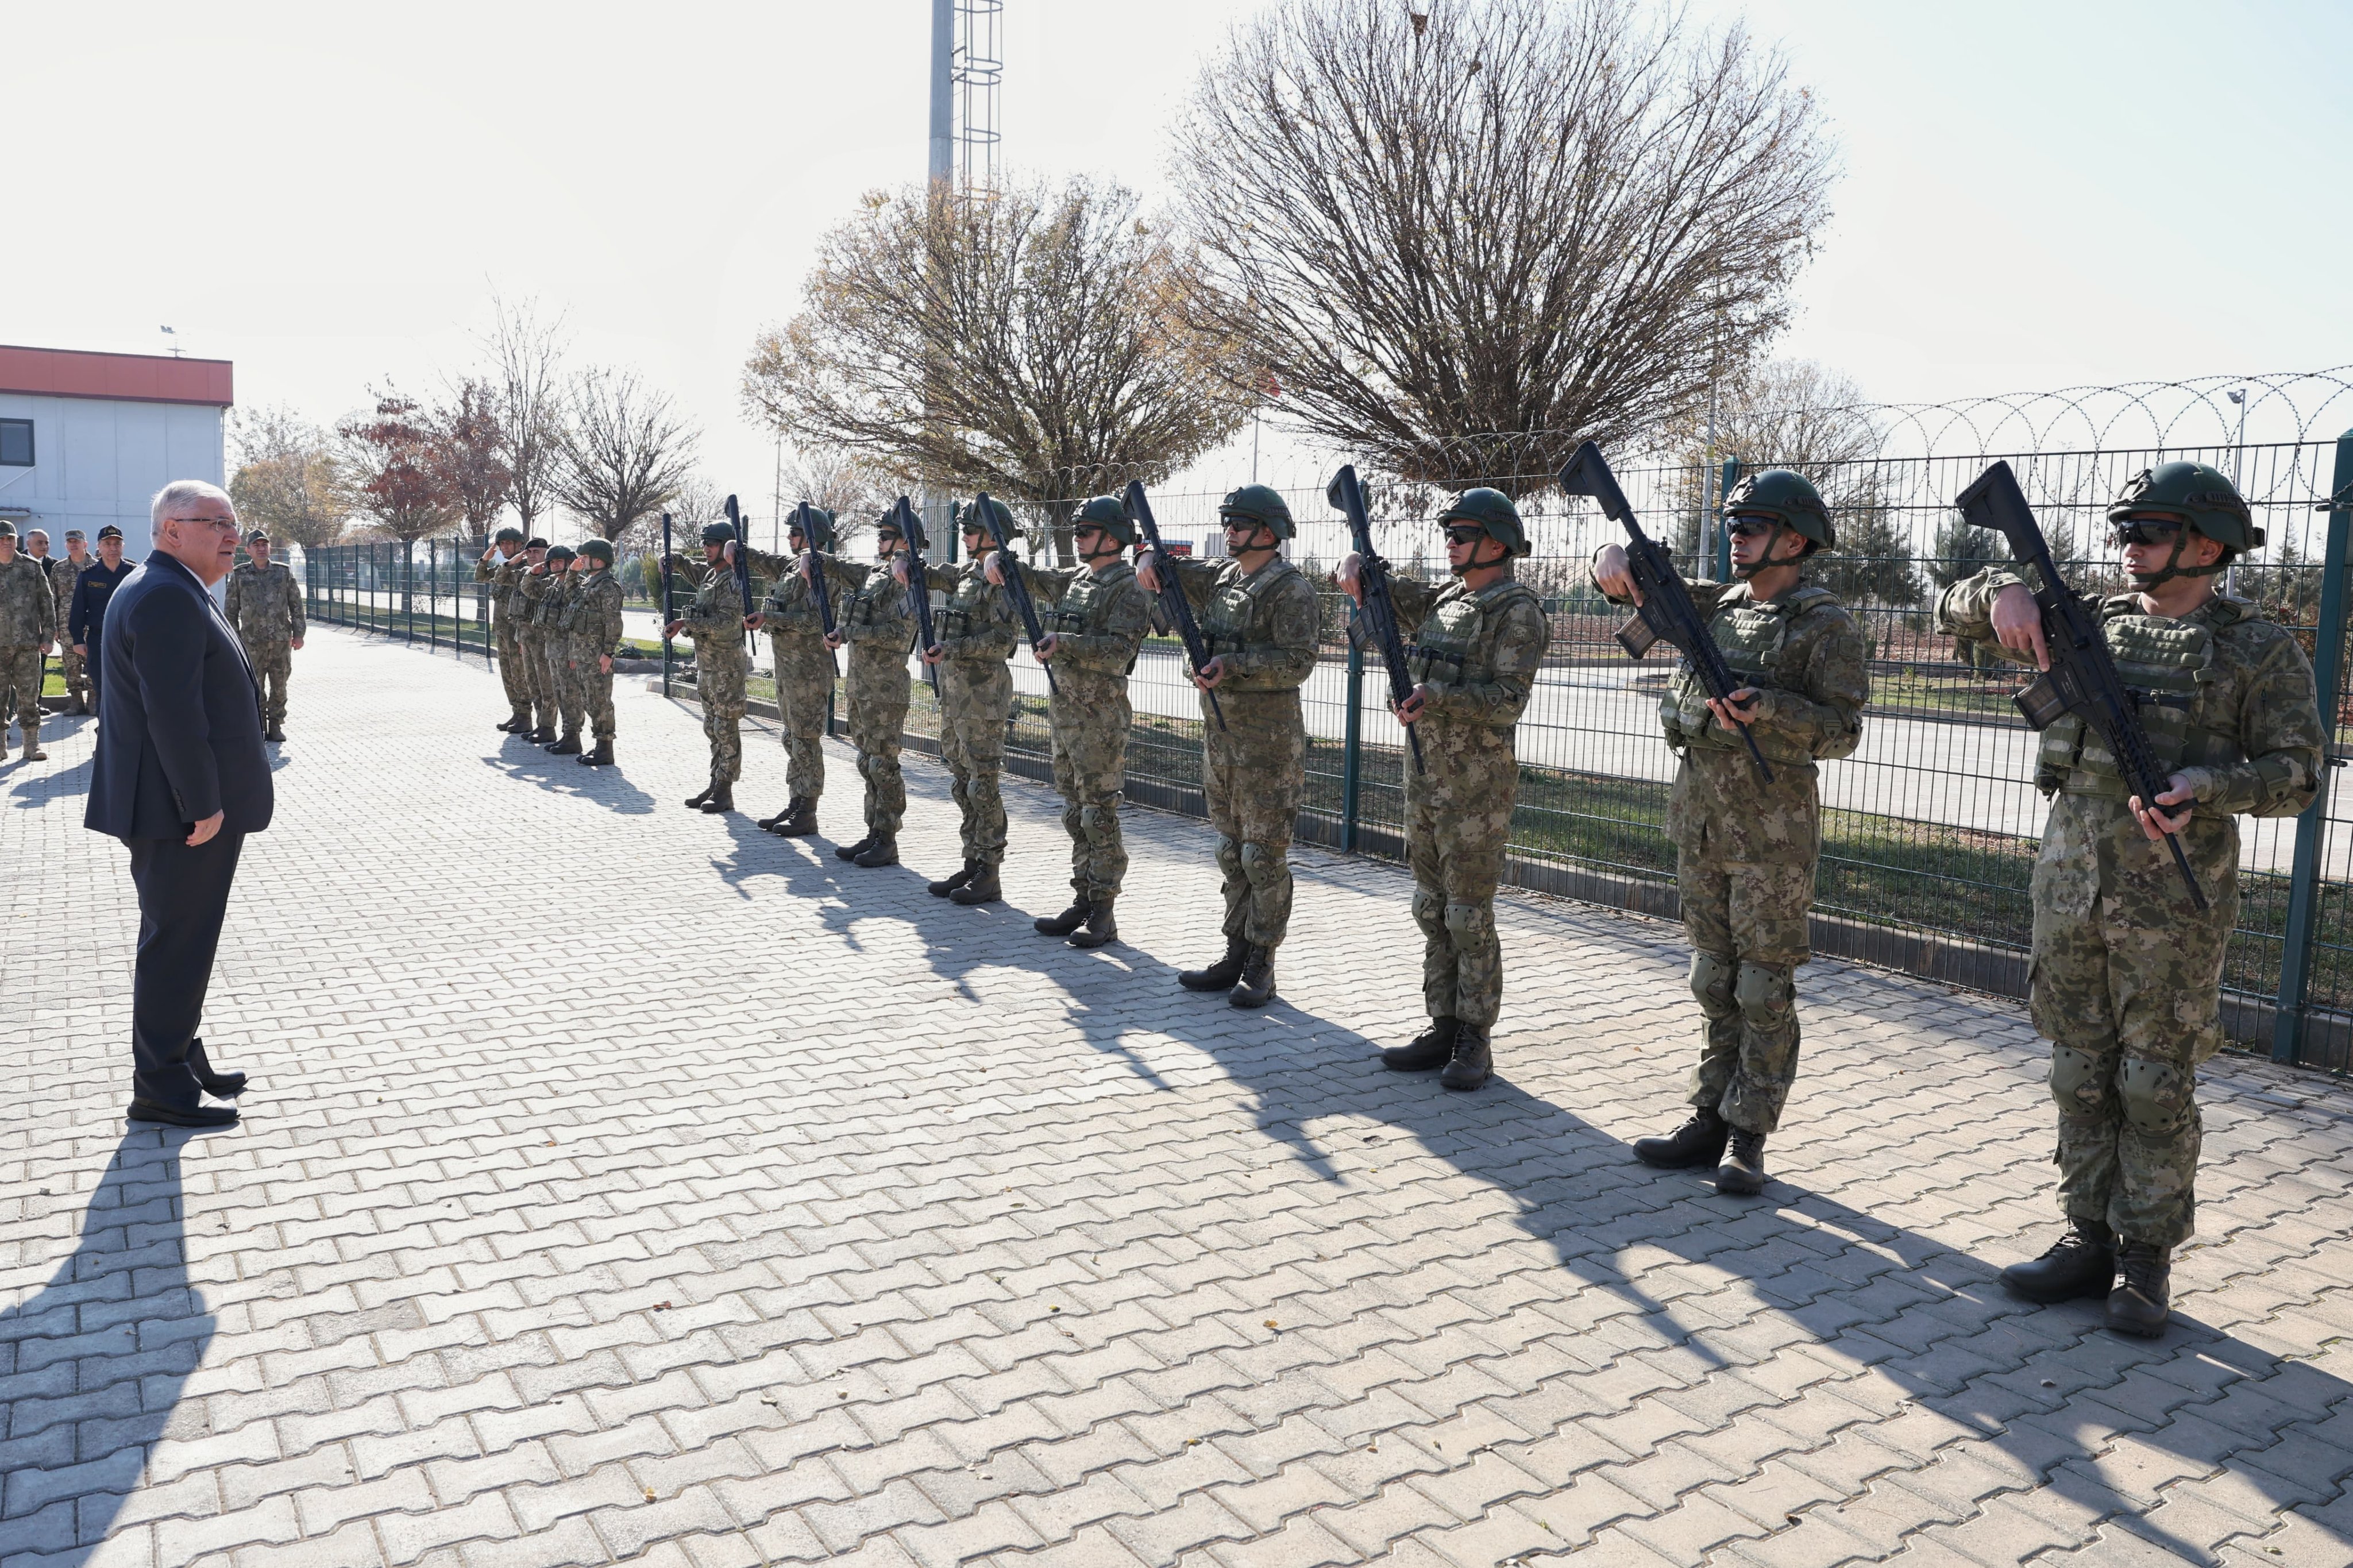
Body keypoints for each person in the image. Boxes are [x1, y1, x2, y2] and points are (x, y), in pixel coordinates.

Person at [1941, 462, 2323, 1337]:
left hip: (2173, 912)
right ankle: (2086, 1240)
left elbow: (2298, 773)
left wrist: (2207, 783)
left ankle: (2144, 1260)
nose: (2129, 546)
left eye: (2148, 532)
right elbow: (1950, 606)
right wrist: (2001, 590)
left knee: (2153, 1082)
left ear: (2206, 545)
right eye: (2125, 531)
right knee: (2078, 1067)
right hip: (2070, 888)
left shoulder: (2257, 647)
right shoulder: (2081, 625)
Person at [1592, 470, 1868, 1196]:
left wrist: (1770, 707)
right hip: (1700, 820)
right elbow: (1614, 581)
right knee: (1712, 976)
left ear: (1795, 538)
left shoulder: (1825, 624)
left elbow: (1842, 729)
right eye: (1732, 525)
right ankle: (1708, 1115)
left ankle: (1749, 1134)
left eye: (1751, 526)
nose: (1735, 537)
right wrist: (1610, 558)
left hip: (1771, 832)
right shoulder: (1712, 605)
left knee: (1761, 985)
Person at [1339, 489, 1550, 1090]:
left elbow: (1508, 701)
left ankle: (1475, 1040)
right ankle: (1442, 1024)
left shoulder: (1517, 611)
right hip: (1424, 774)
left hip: (1476, 788)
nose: (1449, 543)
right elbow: (1373, 584)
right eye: (1448, 533)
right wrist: (1355, 564)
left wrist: (1438, 698)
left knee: (1466, 914)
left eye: (1460, 534)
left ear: (1496, 542)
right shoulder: (1446, 598)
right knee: (1431, 908)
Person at [85, 481, 272, 1129]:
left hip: (172, 804)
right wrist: (203, 804)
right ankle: (160, 1088)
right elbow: (175, 716)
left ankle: (179, 1053)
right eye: (215, 522)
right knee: (176, 945)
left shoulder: (169, 585)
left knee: (185, 942)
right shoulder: (166, 594)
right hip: (180, 812)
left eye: (234, 522)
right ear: (170, 530)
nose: (232, 534)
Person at [1135, 485, 1318, 1007]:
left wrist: (1232, 667)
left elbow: (1298, 662)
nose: (1229, 531)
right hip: (1221, 740)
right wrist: (1148, 554)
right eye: (1227, 522)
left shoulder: (1289, 590)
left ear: (1267, 532)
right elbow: (1164, 571)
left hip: (1268, 746)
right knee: (1231, 852)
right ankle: (1235, 950)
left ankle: (1263, 962)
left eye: (1238, 523)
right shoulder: (1223, 578)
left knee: (1263, 857)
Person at [989, 495, 1151, 948]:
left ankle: (1104, 910)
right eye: (1076, 532)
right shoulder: (1078, 578)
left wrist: (1065, 643)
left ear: (1112, 537)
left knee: (1099, 814)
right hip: (1066, 716)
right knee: (1075, 813)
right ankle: (1082, 898)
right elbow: (1037, 579)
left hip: (1099, 719)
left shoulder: (1129, 585)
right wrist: (1002, 561)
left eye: (1085, 531)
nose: (1077, 538)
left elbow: (1119, 651)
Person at [902, 500, 1021, 904]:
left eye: (970, 529)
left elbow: (1002, 641)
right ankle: (972, 861)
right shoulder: (971, 573)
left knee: (982, 783)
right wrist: (904, 556)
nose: (965, 536)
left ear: (991, 533)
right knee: (962, 781)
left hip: (983, 696)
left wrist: (951, 647)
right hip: (956, 694)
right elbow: (928, 572)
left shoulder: (1003, 574)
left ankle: (989, 871)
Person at [815, 509, 917, 866]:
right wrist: (843, 631)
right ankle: (874, 831)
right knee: (867, 762)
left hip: (886, 690)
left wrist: (851, 633)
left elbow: (898, 635)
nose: (879, 541)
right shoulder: (875, 575)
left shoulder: (910, 580)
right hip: (861, 686)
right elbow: (837, 567)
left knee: (884, 764)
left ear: (906, 541)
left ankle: (887, 839)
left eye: (887, 536)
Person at [743, 508, 839, 837]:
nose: (789, 538)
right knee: (792, 738)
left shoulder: (824, 571)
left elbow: (817, 621)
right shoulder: (792, 566)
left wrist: (770, 618)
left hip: (809, 670)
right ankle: (796, 801)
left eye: (795, 533)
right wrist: (737, 548)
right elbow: (765, 561)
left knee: (806, 740)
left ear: (815, 536)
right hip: (788, 668)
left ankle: (807, 811)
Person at [662, 523, 751, 813]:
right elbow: (691, 569)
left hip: (726, 667)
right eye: (705, 543)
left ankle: (725, 789)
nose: (706, 548)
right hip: (709, 666)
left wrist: (686, 624)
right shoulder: (713, 575)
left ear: (727, 547)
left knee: (726, 728)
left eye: (713, 543)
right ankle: (716, 782)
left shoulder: (734, 580)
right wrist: (673, 559)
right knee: (713, 728)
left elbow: (726, 624)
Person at [222, 530, 305, 743]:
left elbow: (296, 605)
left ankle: (276, 726)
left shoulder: (283, 573)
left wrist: (299, 634)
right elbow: (231, 610)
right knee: (254, 687)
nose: (261, 548)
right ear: (248, 549)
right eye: (256, 545)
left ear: (269, 548)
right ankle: (258, 726)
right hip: (251, 643)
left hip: (280, 641)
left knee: (280, 686)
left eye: (264, 544)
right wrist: (235, 639)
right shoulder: (239, 575)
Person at [564, 539, 626, 766]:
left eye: (586, 557)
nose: (582, 561)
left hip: (597, 655)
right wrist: (572, 572)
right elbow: (568, 595)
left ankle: (605, 748)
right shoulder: (589, 583)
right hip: (583, 655)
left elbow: (613, 623)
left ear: (598, 559)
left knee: (600, 701)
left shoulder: (607, 586)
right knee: (589, 701)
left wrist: (608, 652)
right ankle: (599, 744)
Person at [0, 522, 57, 763]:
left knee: (28, 696)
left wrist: (47, 636)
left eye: (10, 539)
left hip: (27, 644)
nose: (6, 543)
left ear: (17, 541)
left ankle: (31, 746)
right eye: (2, 539)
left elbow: (47, 602)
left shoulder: (31, 568)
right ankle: (1, 748)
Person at [71, 524, 136, 718]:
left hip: (129, 639)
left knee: (132, 686)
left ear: (123, 546)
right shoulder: (88, 575)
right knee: (102, 687)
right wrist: (77, 639)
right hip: (99, 639)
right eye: (108, 544)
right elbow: (78, 610)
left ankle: (132, 737)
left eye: (117, 543)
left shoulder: (134, 572)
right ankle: (105, 739)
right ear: (99, 546)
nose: (113, 548)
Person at [475, 527, 537, 732]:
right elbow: (481, 576)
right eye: (502, 544)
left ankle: (526, 716)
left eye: (509, 544)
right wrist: (486, 558)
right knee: (508, 673)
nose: (505, 547)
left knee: (520, 674)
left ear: (520, 545)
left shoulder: (524, 569)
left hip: (517, 632)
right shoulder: (505, 568)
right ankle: (517, 712)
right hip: (502, 631)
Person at [533, 546, 582, 754]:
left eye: (559, 562)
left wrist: (574, 652)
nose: (554, 565)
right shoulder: (552, 586)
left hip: (567, 650)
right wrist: (532, 572)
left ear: (570, 562)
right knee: (559, 693)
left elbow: (578, 622)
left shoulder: (576, 588)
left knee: (571, 694)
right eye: (551, 562)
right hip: (552, 648)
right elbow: (528, 589)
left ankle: (573, 736)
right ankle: (566, 734)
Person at [47, 529, 94, 713]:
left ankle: (93, 701)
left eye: (77, 541)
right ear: (66, 545)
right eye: (70, 542)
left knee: (92, 663)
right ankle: (76, 702)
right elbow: (52, 600)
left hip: (92, 625)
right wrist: (55, 627)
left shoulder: (96, 567)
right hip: (67, 627)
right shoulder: (59, 569)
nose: (74, 545)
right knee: (71, 665)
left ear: (85, 544)